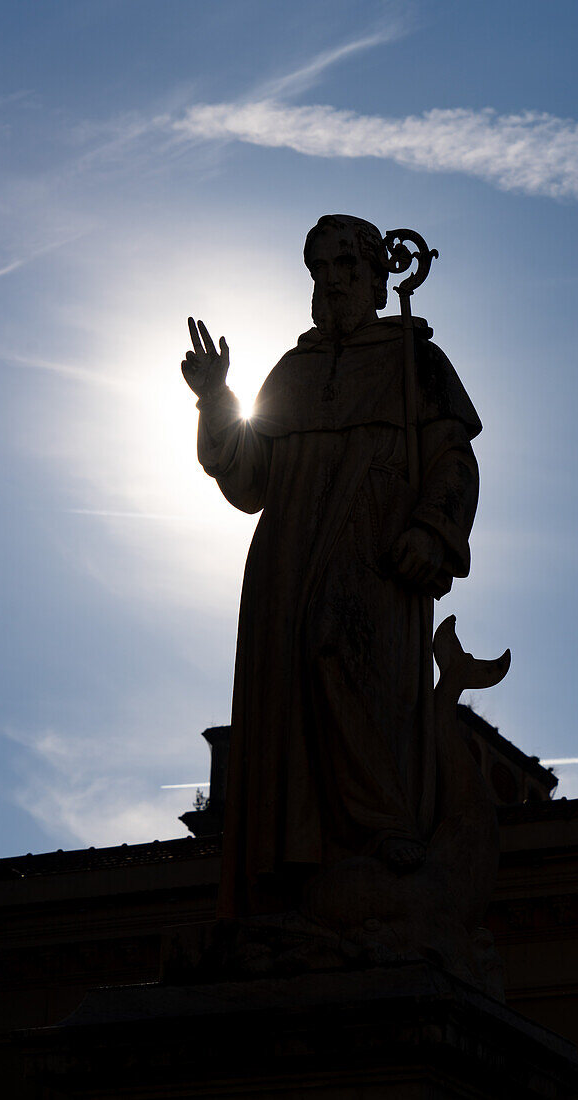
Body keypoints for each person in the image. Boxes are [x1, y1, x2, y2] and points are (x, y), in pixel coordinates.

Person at [182, 214, 482, 919]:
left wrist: (433, 529)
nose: (333, 282)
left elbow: (451, 459)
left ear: (379, 279)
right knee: (290, 685)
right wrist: (216, 399)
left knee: (346, 658)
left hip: (373, 551)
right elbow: (249, 480)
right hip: (284, 564)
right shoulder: (294, 371)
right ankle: (291, 858)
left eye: (348, 267)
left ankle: (380, 827)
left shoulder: (416, 365)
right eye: (321, 269)